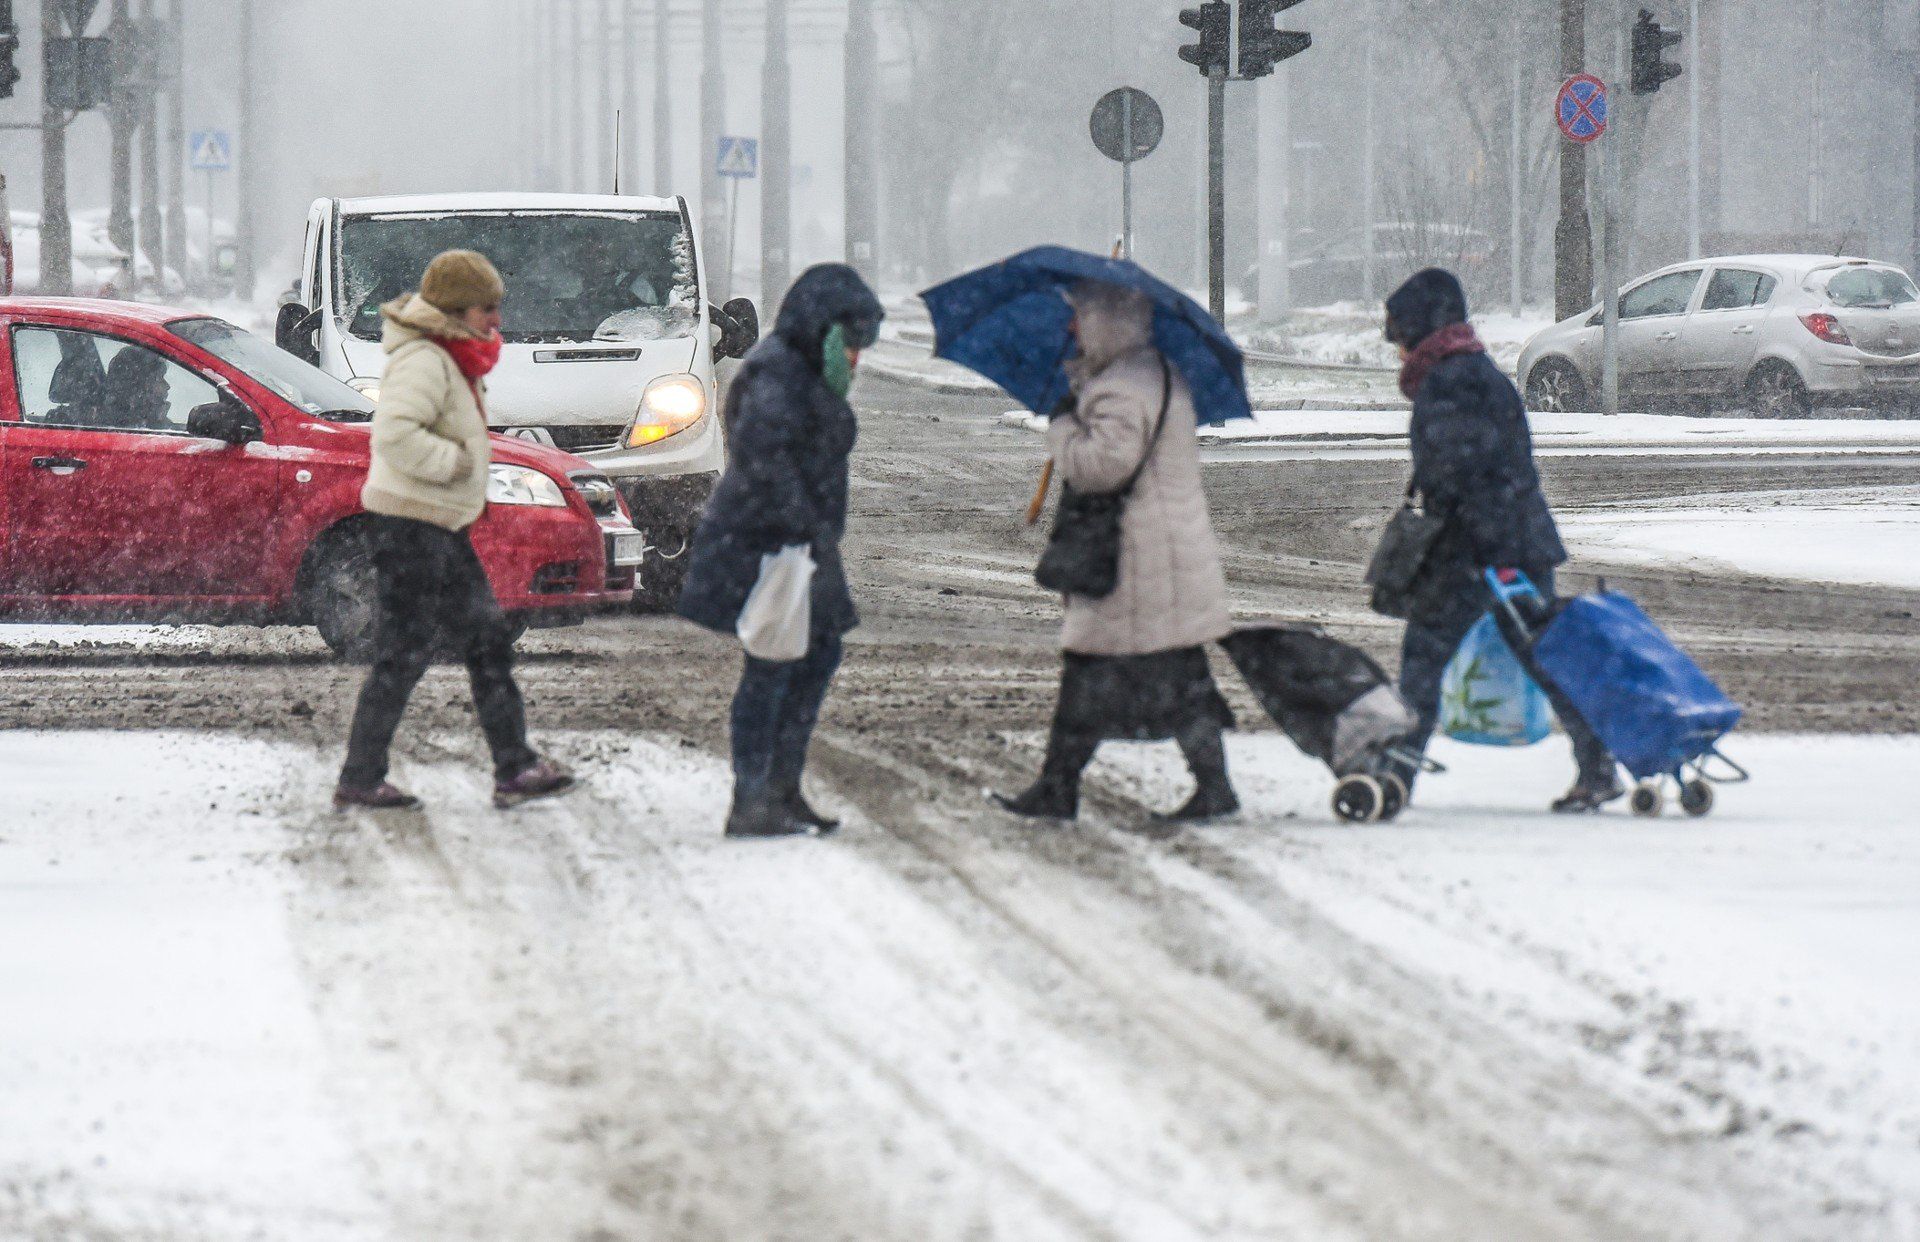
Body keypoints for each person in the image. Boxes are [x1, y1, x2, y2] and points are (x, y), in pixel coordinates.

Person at [335, 249, 574, 811]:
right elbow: (393, 436)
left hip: (437, 524)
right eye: (485, 308)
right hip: (412, 526)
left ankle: (513, 766)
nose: (496, 320)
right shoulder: (424, 360)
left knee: (484, 639)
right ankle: (362, 776)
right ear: (454, 308)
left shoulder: (451, 356)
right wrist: (460, 464)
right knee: (407, 650)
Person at [993, 279, 1238, 823]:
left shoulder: (1124, 389)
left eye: (1080, 317)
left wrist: (1061, 426)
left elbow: (1100, 469)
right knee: (1178, 673)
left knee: (1091, 669)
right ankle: (1212, 785)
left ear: (1107, 322)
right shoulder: (1150, 375)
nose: (1072, 328)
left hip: (1135, 559)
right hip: (1160, 554)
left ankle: (1058, 788)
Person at [1384, 267, 1622, 813]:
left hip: (1479, 553)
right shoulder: (1475, 372)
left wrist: (1484, 550)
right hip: (1511, 545)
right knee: (1548, 658)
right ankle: (1598, 765)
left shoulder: (1449, 382)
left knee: (1423, 662)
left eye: (1399, 333)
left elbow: (1460, 474)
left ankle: (1393, 775)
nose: (1396, 347)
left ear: (1422, 327)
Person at [677, 263, 884, 839]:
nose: (857, 357)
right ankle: (755, 797)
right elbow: (764, 456)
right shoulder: (778, 372)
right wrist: (801, 526)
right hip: (769, 544)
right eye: (853, 341)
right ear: (826, 327)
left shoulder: (806, 373)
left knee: (811, 658)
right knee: (774, 665)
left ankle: (779, 788)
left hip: (799, 543)